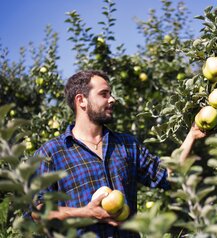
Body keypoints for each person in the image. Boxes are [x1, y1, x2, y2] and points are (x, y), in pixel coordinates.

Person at [32, 70, 206, 237]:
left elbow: (165, 175)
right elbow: (37, 212)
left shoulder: (126, 144)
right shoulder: (51, 153)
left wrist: (192, 135)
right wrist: (86, 212)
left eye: (111, 93)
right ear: (81, 100)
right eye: (104, 94)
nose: (112, 99)